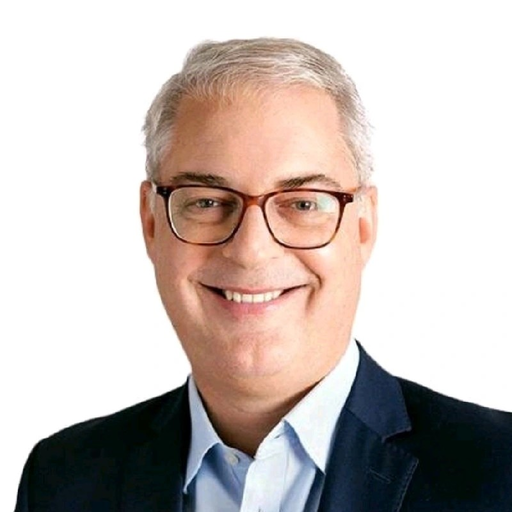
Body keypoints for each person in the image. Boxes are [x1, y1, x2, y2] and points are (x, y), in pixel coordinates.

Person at [14, 37, 512, 512]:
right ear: (151, 223)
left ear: (363, 226)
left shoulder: (501, 471)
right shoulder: (62, 480)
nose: (251, 251)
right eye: (207, 202)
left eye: (302, 203)